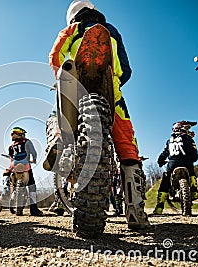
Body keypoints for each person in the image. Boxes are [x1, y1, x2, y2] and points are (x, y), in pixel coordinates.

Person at [48, 0, 149, 229]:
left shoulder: (72, 29)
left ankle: (58, 142)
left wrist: (58, 79)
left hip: (74, 85)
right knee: (127, 146)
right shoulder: (112, 30)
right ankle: (135, 210)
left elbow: (55, 56)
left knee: (57, 118)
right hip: (111, 91)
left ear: (72, 16)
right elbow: (125, 68)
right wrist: (116, 83)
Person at [153, 121, 198, 215]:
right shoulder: (188, 138)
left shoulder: (169, 140)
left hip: (172, 163)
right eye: (186, 128)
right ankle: (194, 191)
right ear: (181, 128)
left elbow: (164, 153)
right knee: (191, 172)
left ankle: (159, 207)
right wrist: (193, 158)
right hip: (186, 163)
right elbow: (194, 152)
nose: (187, 131)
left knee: (165, 182)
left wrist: (160, 161)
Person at [8, 127, 43, 216]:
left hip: (15, 168)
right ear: (21, 134)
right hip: (26, 168)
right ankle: (34, 210)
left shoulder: (11, 146)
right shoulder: (27, 142)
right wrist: (34, 159)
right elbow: (34, 153)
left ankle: (13, 201)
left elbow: (11, 158)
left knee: (13, 185)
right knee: (32, 187)